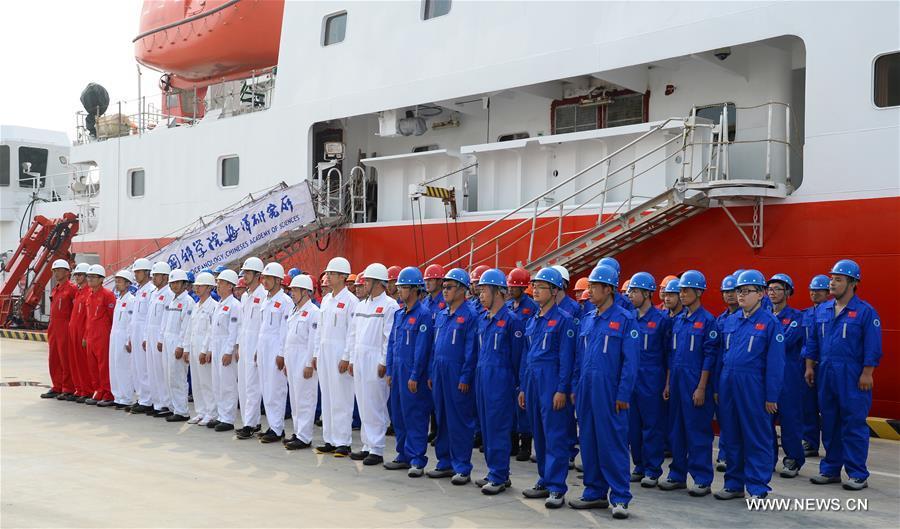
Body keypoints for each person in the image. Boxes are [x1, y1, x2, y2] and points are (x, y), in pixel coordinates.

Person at [803, 259, 881, 491]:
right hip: (826, 371)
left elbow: (873, 345)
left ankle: (857, 473)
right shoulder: (824, 310)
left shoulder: (865, 312)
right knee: (829, 422)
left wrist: (868, 372)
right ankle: (830, 469)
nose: (832, 283)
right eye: (831, 278)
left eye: (838, 279)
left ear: (853, 283)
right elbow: (813, 341)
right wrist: (809, 366)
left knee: (853, 423)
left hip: (852, 374)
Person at [569, 264, 638, 519]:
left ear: (608, 289)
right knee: (589, 441)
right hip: (587, 390)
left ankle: (620, 497)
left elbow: (631, 362)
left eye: (594, 287)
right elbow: (579, 357)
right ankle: (594, 492)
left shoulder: (624, 320)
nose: (590, 291)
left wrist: (623, 394)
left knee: (613, 444)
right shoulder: (588, 319)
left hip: (610, 392)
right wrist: (576, 386)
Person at [713, 270, 784, 500]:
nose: (741, 295)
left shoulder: (770, 323)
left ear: (761, 293)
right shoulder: (731, 321)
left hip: (754, 385)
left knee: (756, 436)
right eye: (739, 291)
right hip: (729, 383)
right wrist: (717, 387)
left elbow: (776, 363)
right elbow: (721, 357)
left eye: (747, 291)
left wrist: (771, 396)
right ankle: (734, 484)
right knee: (731, 435)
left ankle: (757, 486)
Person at [659, 270, 719, 497]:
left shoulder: (707, 321)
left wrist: (702, 387)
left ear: (698, 292)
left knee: (698, 433)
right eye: (680, 290)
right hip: (676, 381)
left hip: (695, 383)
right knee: (676, 431)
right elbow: (670, 355)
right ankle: (677, 475)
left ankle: (702, 479)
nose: (681, 294)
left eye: (685, 290)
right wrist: (667, 384)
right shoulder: (678, 321)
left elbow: (709, 356)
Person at [519, 267, 576, 509]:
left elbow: (567, 359)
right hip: (533, 381)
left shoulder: (564, 321)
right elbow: (526, 355)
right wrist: (523, 387)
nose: (535, 291)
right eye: (534, 287)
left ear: (554, 291)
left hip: (551, 381)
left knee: (555, 434)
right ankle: (544, 478)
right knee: (539, 434)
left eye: (540, 287)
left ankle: (556, 487)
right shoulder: (533, 320)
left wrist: (562, 389)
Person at [473, 269, 525, 495]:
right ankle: (496, 471)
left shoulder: (512, 321)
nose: (480, 295)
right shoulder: (484, 319)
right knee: (486, 427)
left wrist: (515, 384)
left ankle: (499, 474)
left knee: (498, 428)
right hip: (483, 377)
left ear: (498, 292)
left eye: (484, 290)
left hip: (501, 381)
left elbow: (517, 357)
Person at [426, 268, 479, 485]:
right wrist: (431, 371)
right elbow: (434, 346)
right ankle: (444, 461)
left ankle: (462, 466)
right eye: (444, 287)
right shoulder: (442, 314)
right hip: (439, 372)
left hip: (457, 373)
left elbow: (471, 350)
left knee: (460, 420)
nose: (444, 291)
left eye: (449, 287)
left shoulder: (470, 316)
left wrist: (465, 377)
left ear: (462, 290)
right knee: (442, 418)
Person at [384, 267, 434, 476]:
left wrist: (415, 375)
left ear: (414, 290)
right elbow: (392, 344)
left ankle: (416, 458)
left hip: (413, 374)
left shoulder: (423, 315)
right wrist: (389, 370)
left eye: (403, 287)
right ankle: (403, 454)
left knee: (415, 415)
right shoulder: (398, 314)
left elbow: (422, 349)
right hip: (397, 371)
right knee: (399, 414)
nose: (399, 291)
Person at [348, 263, 400, 465]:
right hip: (360, 358)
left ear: (378, 282)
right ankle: (366, 445)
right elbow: (353, 335)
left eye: (367, 281)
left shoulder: (389, 305)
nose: (364, 284)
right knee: (362, 402)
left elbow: (389, 337)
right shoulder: (361, 305)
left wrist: (383, 361)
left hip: (375, 359)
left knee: (375, 403)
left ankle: (377, 448)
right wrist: (352, 358)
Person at [625, 272, 670, 488]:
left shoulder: (661, 321)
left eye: (634, 291)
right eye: (630, 291)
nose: (630, 295)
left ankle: (653, 469)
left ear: (647, 293)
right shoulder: (628, 318)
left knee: (652, 425)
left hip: (652, 377)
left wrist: (667, 383)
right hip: (631, 377)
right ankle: (639, 465)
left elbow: (668, 354)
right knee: (633, 425)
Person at [315, 256, 359, 457]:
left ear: (342, 277)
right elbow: (320, 330)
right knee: (328, 396)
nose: (328, 277)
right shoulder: (326, 300)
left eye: (332, 274)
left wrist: (347, 356)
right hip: (324, 352)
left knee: (342, 397)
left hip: (340, 352)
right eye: (328, 273)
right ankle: (330, 439)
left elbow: (352, 331)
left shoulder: (351, 301)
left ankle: (343, 441)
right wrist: (316, 353)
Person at [767, 273, 806, 478]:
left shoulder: (796, 318)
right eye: (770, 289)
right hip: (767, 376)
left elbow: (784, 342)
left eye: (778, 289)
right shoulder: (763, 316)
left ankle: (793, 459)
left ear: (788, 292)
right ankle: (768, 458)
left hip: (788, 377)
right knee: (766, 420)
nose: (773, 293)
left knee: (790, 420)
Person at [256, 262, 295, 443]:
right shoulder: (267, 300)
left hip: (275, 348)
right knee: (265, 387)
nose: (265, 281)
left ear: (278, 280)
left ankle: (278, 429)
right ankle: (272, 425)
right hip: (264, 347)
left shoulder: (285, 301)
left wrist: (281, 353)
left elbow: (284, 330)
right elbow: (262, 328)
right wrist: (258, 349)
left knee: (276, 389)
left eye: (269, 278)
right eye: (264, 278)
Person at [281, 274, 321, 449]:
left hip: (304, 357)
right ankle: (297, 432)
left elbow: (313, 340)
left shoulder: (313, 312)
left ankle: (305, 436)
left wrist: (308, 364)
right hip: (292, 357)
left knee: (305, 398)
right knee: (295, 398)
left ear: (306, 292)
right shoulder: (294, 310)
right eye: (292, 290)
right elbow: (288, 337)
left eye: (296, 290)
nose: (292, 293)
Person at [506, 267, 538, 461]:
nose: (510, 290)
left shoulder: (532, 307)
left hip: (524, 358)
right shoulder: (509, 307)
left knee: (523, 402)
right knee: (511, 402)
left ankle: (526, 443)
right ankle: (512, 442)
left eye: (513, 287)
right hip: (510, 358)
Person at [158, 269, 195, 422]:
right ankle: (173, 406)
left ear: (184, 284)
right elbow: (164, 321)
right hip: (167, 340)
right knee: (168, 375)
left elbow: (186, 326)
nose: (174, 286)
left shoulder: (188, 302)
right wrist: (161, 338)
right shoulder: (171, 300)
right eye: (172, 283)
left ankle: (182, 410)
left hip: (177, 342)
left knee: (178, 376)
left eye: (177, 283)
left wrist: (181, 345)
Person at [235, 257, 266, 439]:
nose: (245, 276)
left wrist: (257, 349)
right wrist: (239, 345)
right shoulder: (245, 296)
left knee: (253, 386)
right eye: (244, 273)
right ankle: (251, 421)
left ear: (257, 275)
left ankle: (250, 424)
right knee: (244, 386)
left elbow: (263, 327)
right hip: (244, 345)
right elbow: (242, 324)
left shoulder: (263, 296)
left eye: (248, 273)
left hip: (255, 347)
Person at [800, 274, 830, 457]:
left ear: (828, 293)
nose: (814, 293)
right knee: (808, 406)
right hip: (807, 366)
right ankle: (810, 442)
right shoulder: (804, 314)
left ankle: (831, 445)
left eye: (819, 290)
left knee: (828, 407)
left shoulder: (831, 313)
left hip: (826, 365)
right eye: (812, 290)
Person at [183, 272, 218, 426]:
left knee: (206, 381)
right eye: (196, 285)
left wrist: (206, 350)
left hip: (204, 348)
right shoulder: (196, 306)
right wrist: (186, 348)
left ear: (209, 287)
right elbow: (189, 329)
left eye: (200, 285)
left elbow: (212, 332)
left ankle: (211, 413)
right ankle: (201, 412)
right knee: (196, 382)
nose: (196, 288)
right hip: (194, 346)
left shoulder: (213, 306)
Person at [209, 269, 241, 432]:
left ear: (230, 286)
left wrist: (229, 351)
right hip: (217, 345)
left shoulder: (234, 305)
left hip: (226, 347)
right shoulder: (220, 304)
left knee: (227, 383)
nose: (218, 286)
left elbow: (234, 330)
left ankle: (228, 418)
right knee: (217, 383)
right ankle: (221, 415)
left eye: (221, 283)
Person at [714, 274, 739, 472]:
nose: (730, 296)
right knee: (726, 418)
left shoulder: (756, 320)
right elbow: (716, 354)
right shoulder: (720, 321)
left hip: (746, 377)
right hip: (724, 375)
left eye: (733, 291)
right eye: (726, 292)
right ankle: (725, 455)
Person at [42, 259, 76, 400]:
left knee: (65, 357)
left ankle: (68, 387)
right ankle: (57, 386)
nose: (55, 273)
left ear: (67, 272)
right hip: (54, 327)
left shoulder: (72, 289)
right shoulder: (56, 288)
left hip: (65, 326)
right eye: (54, 271)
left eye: (58, 270)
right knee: (54, 358)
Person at [145, 262, 175, 417]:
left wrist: (161, 338)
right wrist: (145, 337)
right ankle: (156, 402)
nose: (154, 278)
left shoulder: (169, 294)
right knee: (152, 369)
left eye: (156, 275)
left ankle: (165, 403)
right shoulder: (154, 293)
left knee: (161, 370)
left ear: (165, 277)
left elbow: (166, 319)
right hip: (150, 334)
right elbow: (148, 318)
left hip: (160, 335)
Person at [126, 258, 156, 414]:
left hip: (145, 333)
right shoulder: (139, 291)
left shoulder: (151, 290)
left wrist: (145, 337)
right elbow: (134, 318)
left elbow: (149, 317)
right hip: (136, 333)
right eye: (135, 272)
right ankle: (141, 397)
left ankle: (148, 399)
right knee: (137, 367)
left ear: (147, 272)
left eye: (138, 272)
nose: (136, 275)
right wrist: (130, 337)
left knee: (145, 368)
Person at [84, 264, 116, 406]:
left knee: (103, 365)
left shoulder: (107, 295)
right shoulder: (89, 296)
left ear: (101, 279)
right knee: (92, 365)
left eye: (93, 277)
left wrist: (109, 334)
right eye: (88, 277)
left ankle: (108, 393)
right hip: (91, 335)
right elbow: (88, 318)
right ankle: (98, 391)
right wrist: (85, 336)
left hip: (103, 335)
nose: (89, 280)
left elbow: (112, 317)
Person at [106, 269, 136, 408]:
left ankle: (126, 397)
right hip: (115, 335)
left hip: (124, 336)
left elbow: (131, 322)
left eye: (120, 281)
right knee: (114, 365)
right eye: (116, 281)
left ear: (128, 283)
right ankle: (118, 396)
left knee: (124, 367)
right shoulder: (119, 300)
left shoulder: (131, 300)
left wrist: (129, 339)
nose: (117, 283)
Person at [68, 262, 93, 402]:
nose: (77, 277)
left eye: (80, 275)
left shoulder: (89, 292)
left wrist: (85, 335)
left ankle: (87, 390)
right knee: (75, 361)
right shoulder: (78, 292)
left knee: (83, 363)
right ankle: (79, 388)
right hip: (73, 331)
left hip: (83, 332)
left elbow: (89, 317)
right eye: (76, 274)